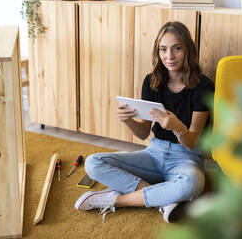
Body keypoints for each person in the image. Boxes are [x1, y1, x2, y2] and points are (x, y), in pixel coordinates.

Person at [74, 21, 215, 223]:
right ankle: (165, 199)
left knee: (192, 184)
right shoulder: (152, 81)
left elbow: (192, 142)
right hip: (154, 154)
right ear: (157, 52)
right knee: (93, 163)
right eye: (163, 49)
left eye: (177, 48)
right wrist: (129, 120)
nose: (169, 56)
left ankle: (117, 200)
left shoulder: (203, 86)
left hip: (186, 157)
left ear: (187, 50)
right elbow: (142, 133)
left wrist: (177, 127)